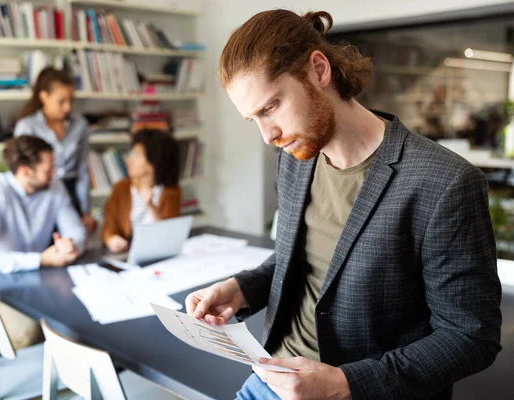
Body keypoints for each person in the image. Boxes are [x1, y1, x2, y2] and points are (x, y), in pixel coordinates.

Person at [185, 10, 502, 400]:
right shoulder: (294, 156)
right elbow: (304, 263)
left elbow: (471, 337)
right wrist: (242, 288)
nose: (267, 136)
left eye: (270, 107)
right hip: (272, 375)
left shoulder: (446, 182)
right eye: (254, 119)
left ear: (318, 71)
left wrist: (344, 385)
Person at [0, 135, 86, 348]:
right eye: (48, 170)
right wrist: (40, 259)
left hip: (45, 281)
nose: (55, 173)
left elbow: (76, 231)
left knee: (84, 318)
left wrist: (70, 244)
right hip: (4, 282)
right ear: (25, 171)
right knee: (27, 334)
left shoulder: (54, 187)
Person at [14, 67, 97, 233]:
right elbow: (21, 173)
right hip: (40, 192)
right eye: (61, 101)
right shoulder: (27, 126)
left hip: (71, 191)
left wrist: (85, 210)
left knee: (75, 239)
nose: (67, 107)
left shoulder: (79, 125)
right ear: (44, 97)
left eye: (70, 100)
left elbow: (82, 170)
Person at [102, 129, 181, 253]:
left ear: (152, 165)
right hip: (126, 252)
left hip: (157, 252)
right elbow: (110, 225)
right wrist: (111, 239)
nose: (129, 160)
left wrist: (151, 206)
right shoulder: (121, 187)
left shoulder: (170, 192)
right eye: (132, 154)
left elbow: (168, 235)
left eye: (137, 155)